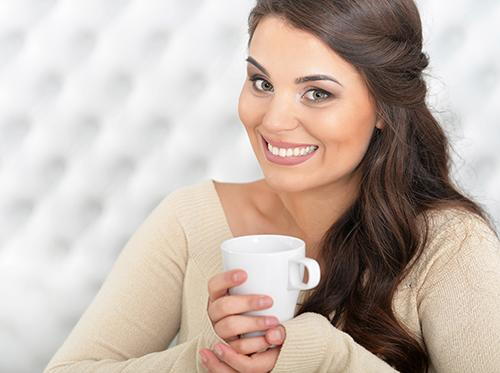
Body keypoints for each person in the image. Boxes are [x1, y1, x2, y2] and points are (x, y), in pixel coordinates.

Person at [44, 0, 500, 372]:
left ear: (384, 108)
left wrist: (322, 357)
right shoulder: (191, 219)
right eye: (261, 82)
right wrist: (206, 361)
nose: (274, 120)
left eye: (317, 93)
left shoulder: (450, 246)